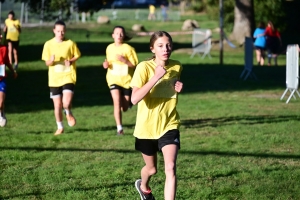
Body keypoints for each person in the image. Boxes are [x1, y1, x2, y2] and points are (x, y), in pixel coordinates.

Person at [130, 31, 183, 200]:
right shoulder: (143, 68)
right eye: (160, 46)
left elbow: (171, 86)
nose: (165, 49)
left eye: (168, 45)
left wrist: (177, 85)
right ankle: (143, 186)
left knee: (170, 167)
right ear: (152, 49)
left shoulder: (176, 66)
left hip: (169, 124)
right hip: (146, 128)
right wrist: (155, 77)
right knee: (152, 169)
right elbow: (134, 98)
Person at [41, 20, 81, 135]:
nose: (60, 33)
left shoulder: (70, 43)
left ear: (65, 31)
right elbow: (46, 63)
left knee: (66, 103)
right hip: (54, 79)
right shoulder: (48, 44)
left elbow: (77, 55)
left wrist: (71, 61)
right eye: (58, 31)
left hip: (68, 76)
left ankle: (68, 111)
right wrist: (51, 61)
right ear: (54, 31)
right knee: (57, 105)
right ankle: (60, 127)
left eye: (63, 31)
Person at [102, 26, 138, 135]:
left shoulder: (128, 49)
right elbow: (107, 62)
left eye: (121, 33)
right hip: (113, 79)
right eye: (117, 33)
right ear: (113, 35)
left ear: (124, 35)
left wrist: (125, 60)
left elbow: (134, 65)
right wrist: (105, 65)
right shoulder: (109, 48)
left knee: (125, 107)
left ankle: (127, 104)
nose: (119, 35)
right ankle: (119, 129)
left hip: (127, 81)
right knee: (116, 102)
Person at [0, 33, 18, 127]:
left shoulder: (4, 49)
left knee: (1, 103)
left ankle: (2, 112)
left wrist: (13, 71)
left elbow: (7, 62)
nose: (1, 36)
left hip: (1, 79)